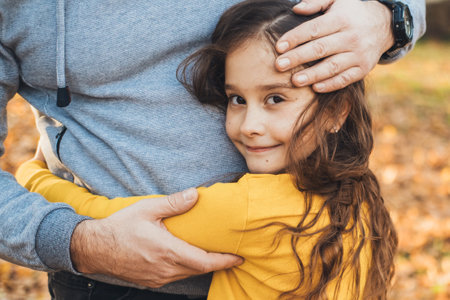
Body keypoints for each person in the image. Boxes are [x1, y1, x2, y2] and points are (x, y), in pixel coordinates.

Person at [0, 0, 425, 298]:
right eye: (235, 99)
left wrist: (35, 177)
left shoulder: (249, 211)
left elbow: (106, 217)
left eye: (275, 99)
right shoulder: (357, 200)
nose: (250, 125)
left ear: (337, 111)